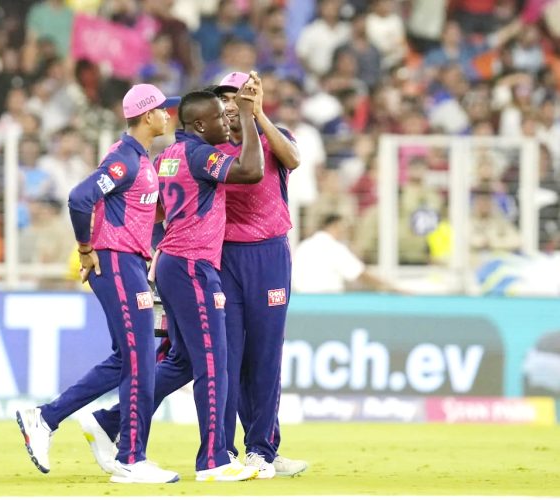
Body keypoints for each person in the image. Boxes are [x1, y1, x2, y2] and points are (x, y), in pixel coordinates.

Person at [85, 80, 266, 482]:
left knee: (182, 361)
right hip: (192, 266)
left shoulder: (171, 154)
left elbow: (163, 209)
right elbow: (252, 171)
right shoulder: (202, 155)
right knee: (214, 363)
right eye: (219, 117)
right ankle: (214, 460)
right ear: (200, 125)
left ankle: (111, 421)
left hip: (176, 261)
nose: (228, 121)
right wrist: (251, 118)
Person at [15, 83, 181, 484]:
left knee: (128, 358)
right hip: (117, 262)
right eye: (162, 110)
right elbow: (79, 198)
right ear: (146, 116)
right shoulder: (125, 159)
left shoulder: (139, 159)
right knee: (140, 358)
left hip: (128, 262)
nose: (167, 116)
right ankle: (130, 458)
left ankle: (45, 417)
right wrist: (86, 249)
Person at [211, 71, 307, 478]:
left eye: (239, 96)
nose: (232, 103)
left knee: (266, 356)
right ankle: (231, 452)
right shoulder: (209, 146)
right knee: (230, 357)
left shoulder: (273, 134)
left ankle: (263, 449)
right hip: (224, 256)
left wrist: (260, 115)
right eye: (226, 97)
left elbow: (294, 159)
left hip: (269, 253)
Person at [293, 214, 400, 293]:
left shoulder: (303, 245)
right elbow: (360, 274)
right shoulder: (334, 247)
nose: (345, 232)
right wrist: (392, 287)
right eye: (344, 227)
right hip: (328, 300)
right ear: (334, 226)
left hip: (302, 299)